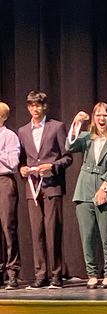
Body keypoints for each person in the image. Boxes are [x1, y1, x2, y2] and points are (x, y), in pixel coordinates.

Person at [18, 91, 72, 290]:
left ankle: (56, 275)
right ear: (28, 107)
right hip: (32, 189)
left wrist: (53, 166)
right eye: (32, 105)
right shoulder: (23, 131)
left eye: (38, 105)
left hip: (52, 186)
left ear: (44, 106)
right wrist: (21, 169)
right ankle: (41, 275)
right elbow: (21, 160)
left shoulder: (56, 127)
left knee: (53, 231)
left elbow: (68, 157)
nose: (35, 109)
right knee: (37, 232)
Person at [65, 102, 107, 289]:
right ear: (93, 118)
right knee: (87, 236)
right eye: (98, 115)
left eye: (105, 115)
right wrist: (76, 123)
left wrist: (104, 187)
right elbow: (70, 146)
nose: (102, 119)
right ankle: (91, 274)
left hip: (105, 188)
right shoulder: (86, 137)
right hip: (84, 188)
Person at [0, 102, 20, 290]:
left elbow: (14, 163)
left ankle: (12, 272)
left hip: (4, 181)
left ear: (3, 117)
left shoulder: (10, 136)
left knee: (8, 227)